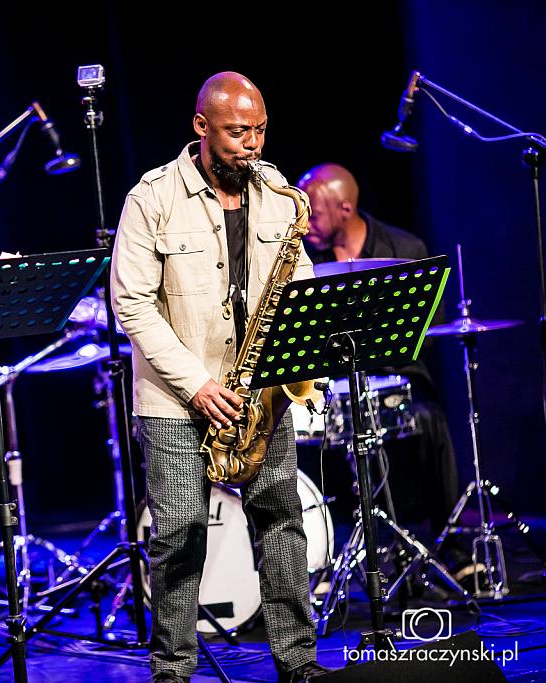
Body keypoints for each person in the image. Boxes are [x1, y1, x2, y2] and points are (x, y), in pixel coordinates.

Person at [111, 72, 328, 683]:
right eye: (237, 132)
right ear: (201, 127)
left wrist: (296, 366)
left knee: (282, 522)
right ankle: (174, 670)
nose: (251, 144)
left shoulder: (279, 195)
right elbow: (131, 304)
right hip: (178, 396)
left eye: (260, 130)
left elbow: (299, 283)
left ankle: (298, 661)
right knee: (180, 533)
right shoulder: (151, 197)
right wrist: (198, 386)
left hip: (259, 393)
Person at [296, 163, 459, 543]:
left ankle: (450, 543)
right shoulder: (303, 260)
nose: (306, 225)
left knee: (429, 418)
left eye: (314, 215)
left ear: (345, 209)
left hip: (396, 376)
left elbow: (427, 333)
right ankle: (327, 546)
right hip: (331, 385)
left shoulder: (405, 249)